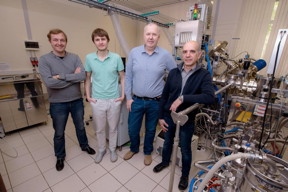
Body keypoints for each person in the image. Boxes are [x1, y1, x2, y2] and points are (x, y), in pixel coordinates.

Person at [153, 41, 215, 190]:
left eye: (192, 51)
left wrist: (183, 98)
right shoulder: (174, 72)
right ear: (182, 54)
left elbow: (209, 97)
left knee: (185, 148)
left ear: (199, 54)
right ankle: (165, 161)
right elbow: (165, 96)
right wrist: (160, 116)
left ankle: (185, 175)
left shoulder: (203, 75)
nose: (188, 55)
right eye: (185, 51)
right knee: (167, 141)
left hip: (187, 118)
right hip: (169, 116)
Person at [39, 29, 95, 172]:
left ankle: (84, 145)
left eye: (62, 40)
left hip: (76, 101)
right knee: (59, 132)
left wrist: (60, 76)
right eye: (55, 40)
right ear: (50, 42)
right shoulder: (44, 60)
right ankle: (59, 156)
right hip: (57, 103)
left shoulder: (74, 57)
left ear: (66, 41)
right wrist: (71, 76)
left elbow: (82, 76)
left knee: (81, 127)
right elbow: (50, 83)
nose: (59, 43)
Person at [124, 23, 176, 166]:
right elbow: (128, 77)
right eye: (148, 34)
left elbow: (175, 76)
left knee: (151, 129)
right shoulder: (134, 53)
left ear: (158, 37)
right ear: (144, 35)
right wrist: (128, 98)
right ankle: (134, 148)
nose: (151, 37)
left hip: (155, 102)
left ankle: (147, 151)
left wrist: (168, 96)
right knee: (132, 129)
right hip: (136, 100)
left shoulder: (165, 55)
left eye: (154, 34)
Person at [85, 28, 125, 163]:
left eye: (103, 39)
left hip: (114, 99)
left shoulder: (116, 58)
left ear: (107, 40)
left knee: (113, 128)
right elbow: (87, 79)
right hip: (98, 100)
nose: (101, 42)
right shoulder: (89, 58)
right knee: (100, 129)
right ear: (94, 42)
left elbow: (123, 77)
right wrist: (88, 97)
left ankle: (113, 149)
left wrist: (123, 95)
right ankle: (102, 149)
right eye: (97, 39)